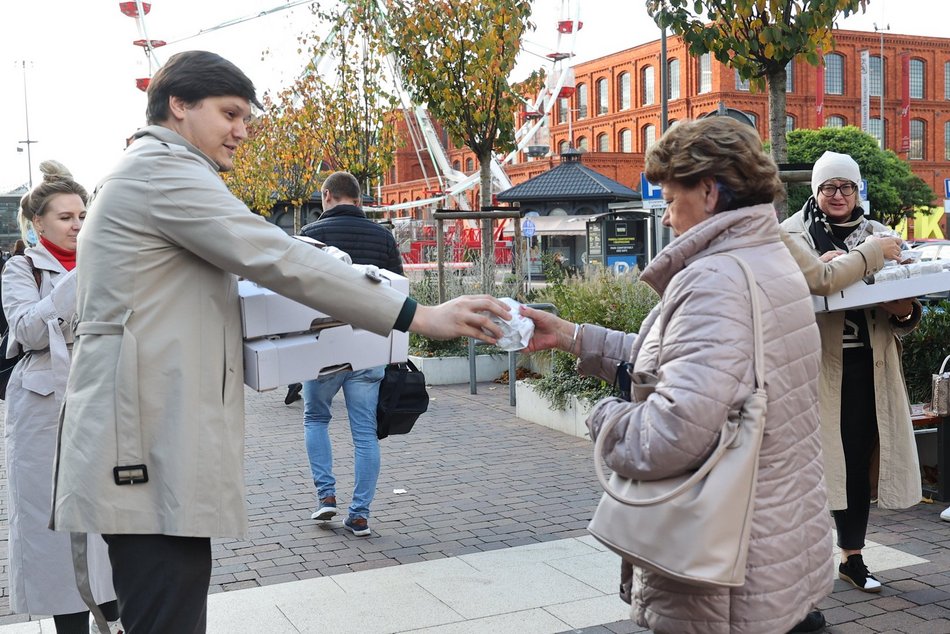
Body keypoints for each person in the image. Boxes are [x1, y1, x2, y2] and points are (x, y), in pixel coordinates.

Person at [49, 50, 509, 634]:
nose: (242, 131)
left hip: (145, 432)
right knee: (168, 609)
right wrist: (417, 315)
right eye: (231, 113)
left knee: (167, 602)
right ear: (179, 106)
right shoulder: (162, 172)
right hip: (146, 438)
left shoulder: (149, 170)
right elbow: (277, 257)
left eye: (247, 117)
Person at [522, 117, 831, 634]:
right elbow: (691, 362)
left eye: (668, 200)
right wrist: (573, 337)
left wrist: (605, 418)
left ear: (708, 193)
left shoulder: (715, 279)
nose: (665, 217)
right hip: (773, 535)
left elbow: (669, 435)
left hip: (723, 567)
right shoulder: (764, 256)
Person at [782, 151, 922, 594]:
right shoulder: (793, 236)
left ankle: (852, 556)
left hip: (868, 367)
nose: (838, 195)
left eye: (846, 186)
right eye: (828, 187)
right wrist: (841, 268)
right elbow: (799, 292)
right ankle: (793, 558)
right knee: (807, 466)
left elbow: (909, 307)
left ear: (858, 189)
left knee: (856, 461)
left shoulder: (882, 236)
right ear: (815, 192)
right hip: (811, 369)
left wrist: (900, 306)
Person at [2, 161, 121, 633]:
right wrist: (80, 276)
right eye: (66, 217)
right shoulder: (21, 267)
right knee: (52, 525)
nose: (78, 225)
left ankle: (115, 616)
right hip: (44, 407)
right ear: (38, 223)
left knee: (113, 521)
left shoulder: (109, 262)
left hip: (106, 397)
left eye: (83, 216)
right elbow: (26, 328)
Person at [296, 171, 404, 537]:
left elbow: (295, 298)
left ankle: (326, 497)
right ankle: (359, 515)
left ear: (326, 196)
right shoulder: (383, 237)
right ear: (358, 200)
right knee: (364, 433)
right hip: (369, 346)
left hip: (322, 347)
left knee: (315, 419)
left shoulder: (310, 237)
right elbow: (397, 292)